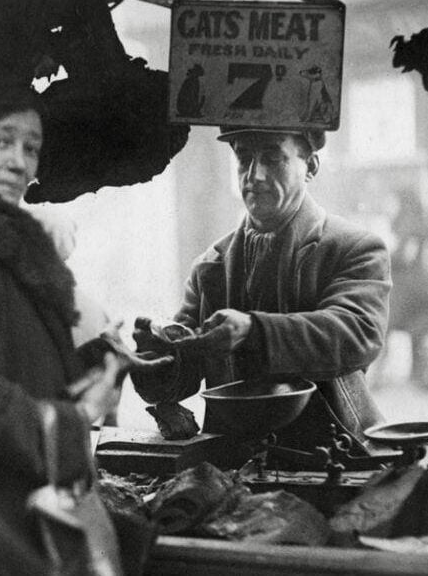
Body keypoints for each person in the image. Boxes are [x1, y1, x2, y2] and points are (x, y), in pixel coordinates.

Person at [0, 66, 169, 576]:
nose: (17, 162)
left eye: (30, 147)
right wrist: (72, 422)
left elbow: (7, 363)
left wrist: (92, 363)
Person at [132, 126, 391, 454]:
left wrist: (253, 331)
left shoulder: (353, 248)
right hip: (234, 459)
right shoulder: (210, 267)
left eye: (273, 159)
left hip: (333, 453)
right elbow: (184, 372)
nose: (254, 175)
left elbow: (358, 332)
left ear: (310, 166)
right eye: (244, 159)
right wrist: (151, 361)